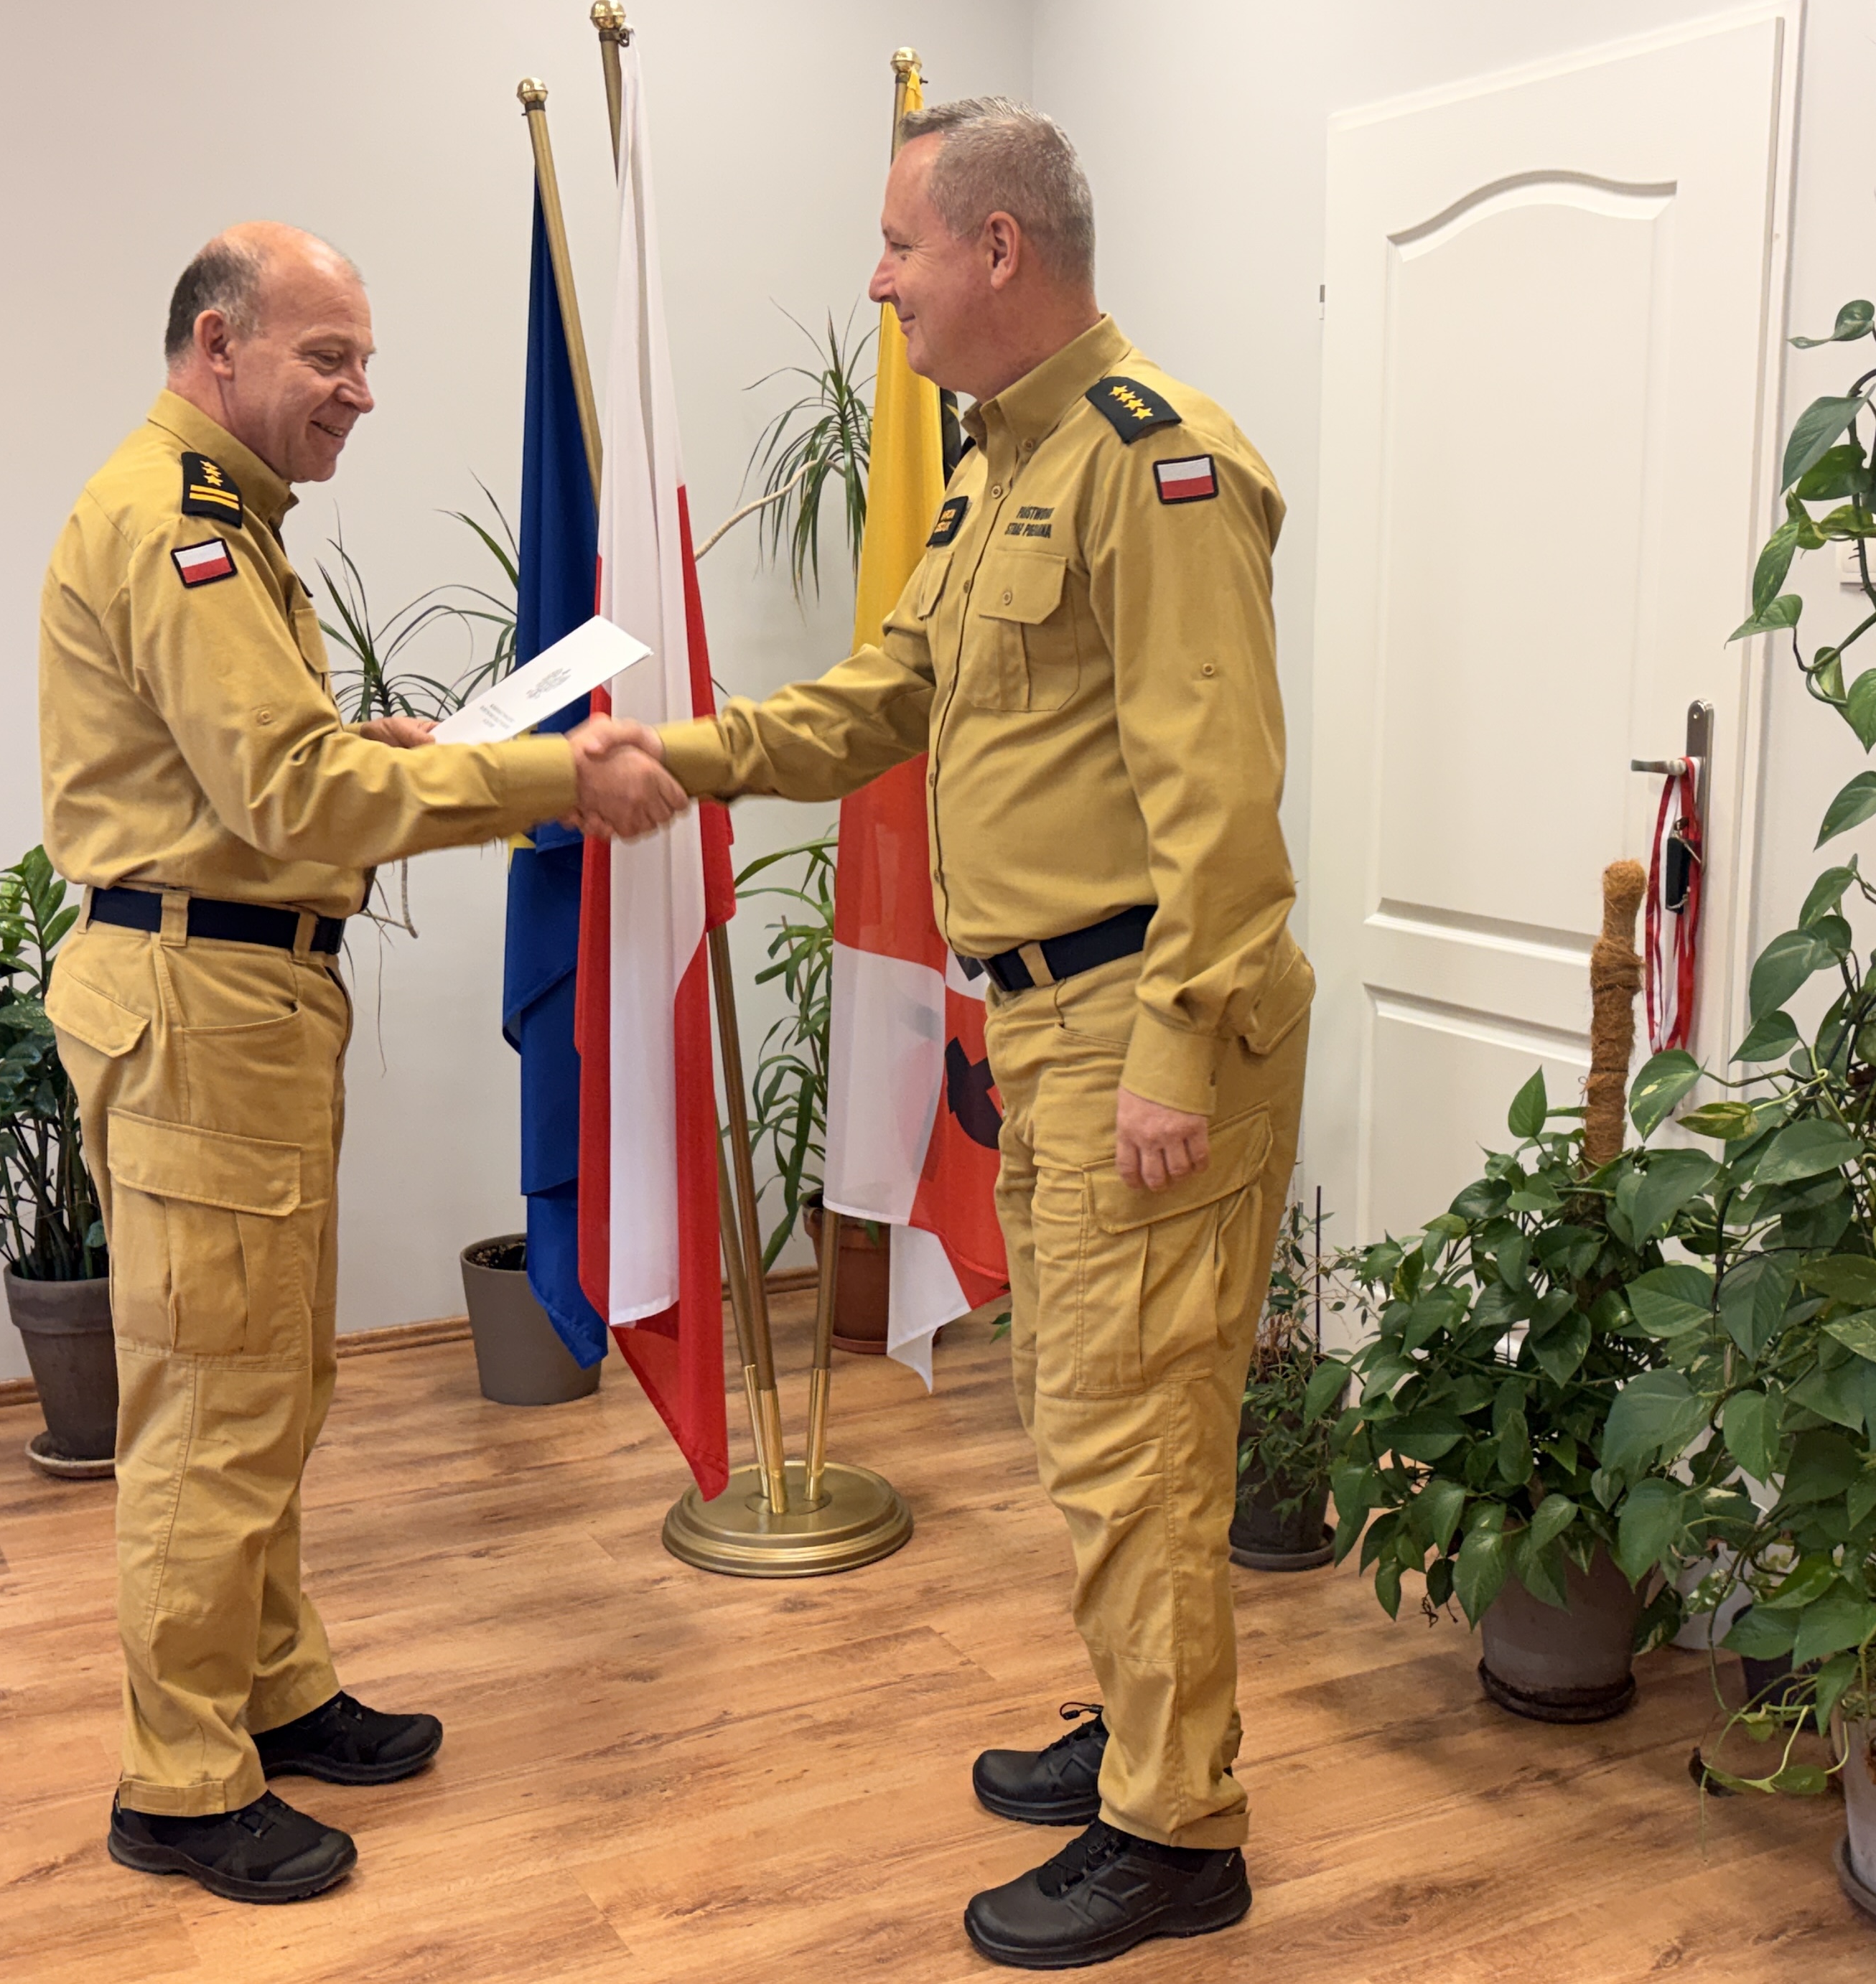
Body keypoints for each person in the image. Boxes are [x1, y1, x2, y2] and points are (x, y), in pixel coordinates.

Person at [577, 98, 1312, 1968]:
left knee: (1137, 1436)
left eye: (899, 243)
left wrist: (1171, 1054)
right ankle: (1141, 1728)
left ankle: (1177, 1827)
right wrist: (686, 757)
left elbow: (1220, 803)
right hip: (1048, 1017)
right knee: (1081, 1408)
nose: (877, 281)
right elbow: (885, 692)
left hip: (1145, 1014)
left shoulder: (1157, 464)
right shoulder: (1005, 468)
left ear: (997, 248)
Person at [37, 222, 683, 1905]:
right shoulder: (179, 527)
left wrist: (373, 745)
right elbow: (290, 799)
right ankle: (182, 1778)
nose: (360, 392)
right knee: (213, 1397)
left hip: (234, 998)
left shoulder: (226, 519)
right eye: (328, 357)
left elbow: (263, 765)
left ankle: (269, 1683)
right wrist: (549, 780)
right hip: (200, 1001)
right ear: (217, 344)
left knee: (267, 1375)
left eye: (362, 358)